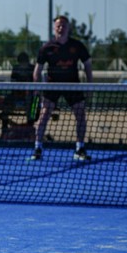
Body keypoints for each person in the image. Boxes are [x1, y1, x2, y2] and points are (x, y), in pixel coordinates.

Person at [29, 15, 93, 161]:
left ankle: (80, 149)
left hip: (73, 85)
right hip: (53, 86)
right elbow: (37, 70)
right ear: (54, 28)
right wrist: (36, 88)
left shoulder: (77, 46)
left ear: (68, 28)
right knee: (44, 115)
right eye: (58, 25)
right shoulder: (46, 48)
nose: (61, 28)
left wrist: (90, 85)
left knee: (81, 115)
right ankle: (37, 148)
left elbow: (88, 65)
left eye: (63, 25)